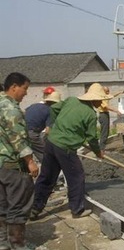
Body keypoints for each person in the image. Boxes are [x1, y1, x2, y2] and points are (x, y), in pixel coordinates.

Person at [31, 83, 112, 220]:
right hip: (66, 148)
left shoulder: (71, 100)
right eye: (101, 99)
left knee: (47, 177)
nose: (101, 102)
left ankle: (34, 208)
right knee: (76, 176)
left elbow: (54, 109)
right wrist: (98, 153)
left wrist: (57, 125)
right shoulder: (90, 114)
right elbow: (92, 138)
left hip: (51, 142)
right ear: (95, 99)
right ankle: (77, 209)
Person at [0, 72, 39, 250]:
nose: (25, 93)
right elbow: (18, 138)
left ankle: (3, 243)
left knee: (2, 205)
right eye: (25, 89)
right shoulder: (10, 109)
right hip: (12, 165)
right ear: (14, 86)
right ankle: (18, 245)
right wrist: (30, 161)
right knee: (19, 205)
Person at [25, 91, 61, 163]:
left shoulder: (34, 105)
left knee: (31, 153)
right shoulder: (50, 111)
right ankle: (49, 171)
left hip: (22, 132)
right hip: (32, 133)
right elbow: (48, 131)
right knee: (46, 153)